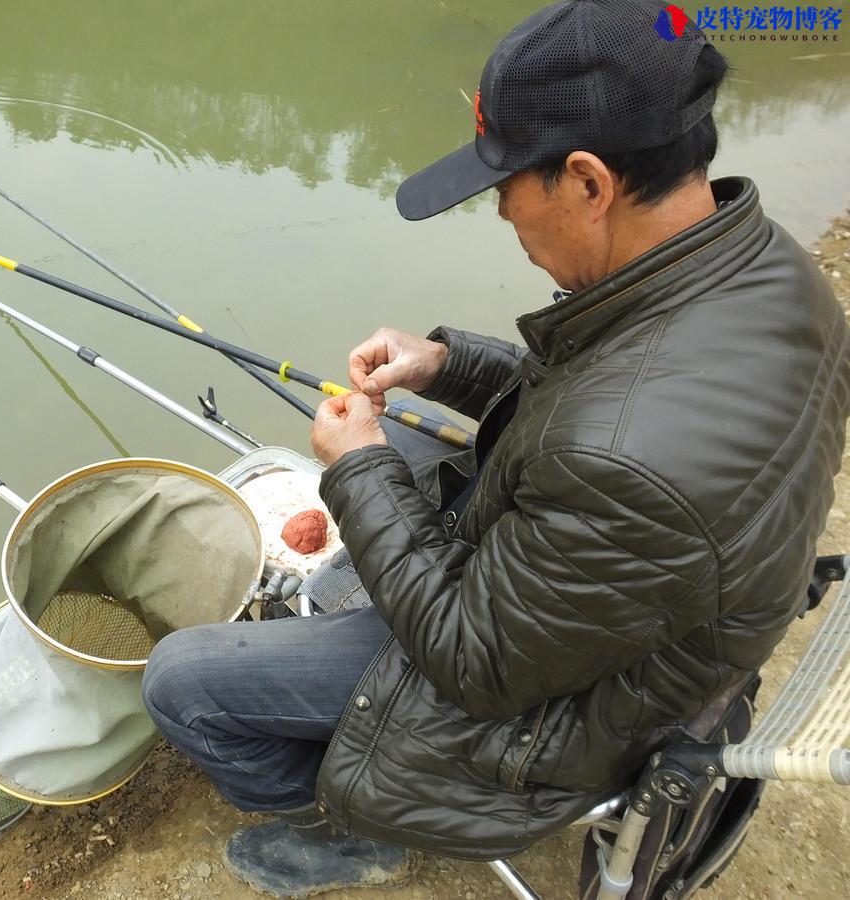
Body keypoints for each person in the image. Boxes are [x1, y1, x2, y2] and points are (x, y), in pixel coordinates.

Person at [142, 1, 850, 896]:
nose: (506, 222)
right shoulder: (763, 267)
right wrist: (444, 365)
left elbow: (471, 660)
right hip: (638, 613)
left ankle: (347, 827)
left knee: (181, 685)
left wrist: (356, 467)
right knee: (395, 423)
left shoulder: (629, 459)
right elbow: (599, 395)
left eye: (509, 195)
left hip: (574, 707)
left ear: (589, 183)